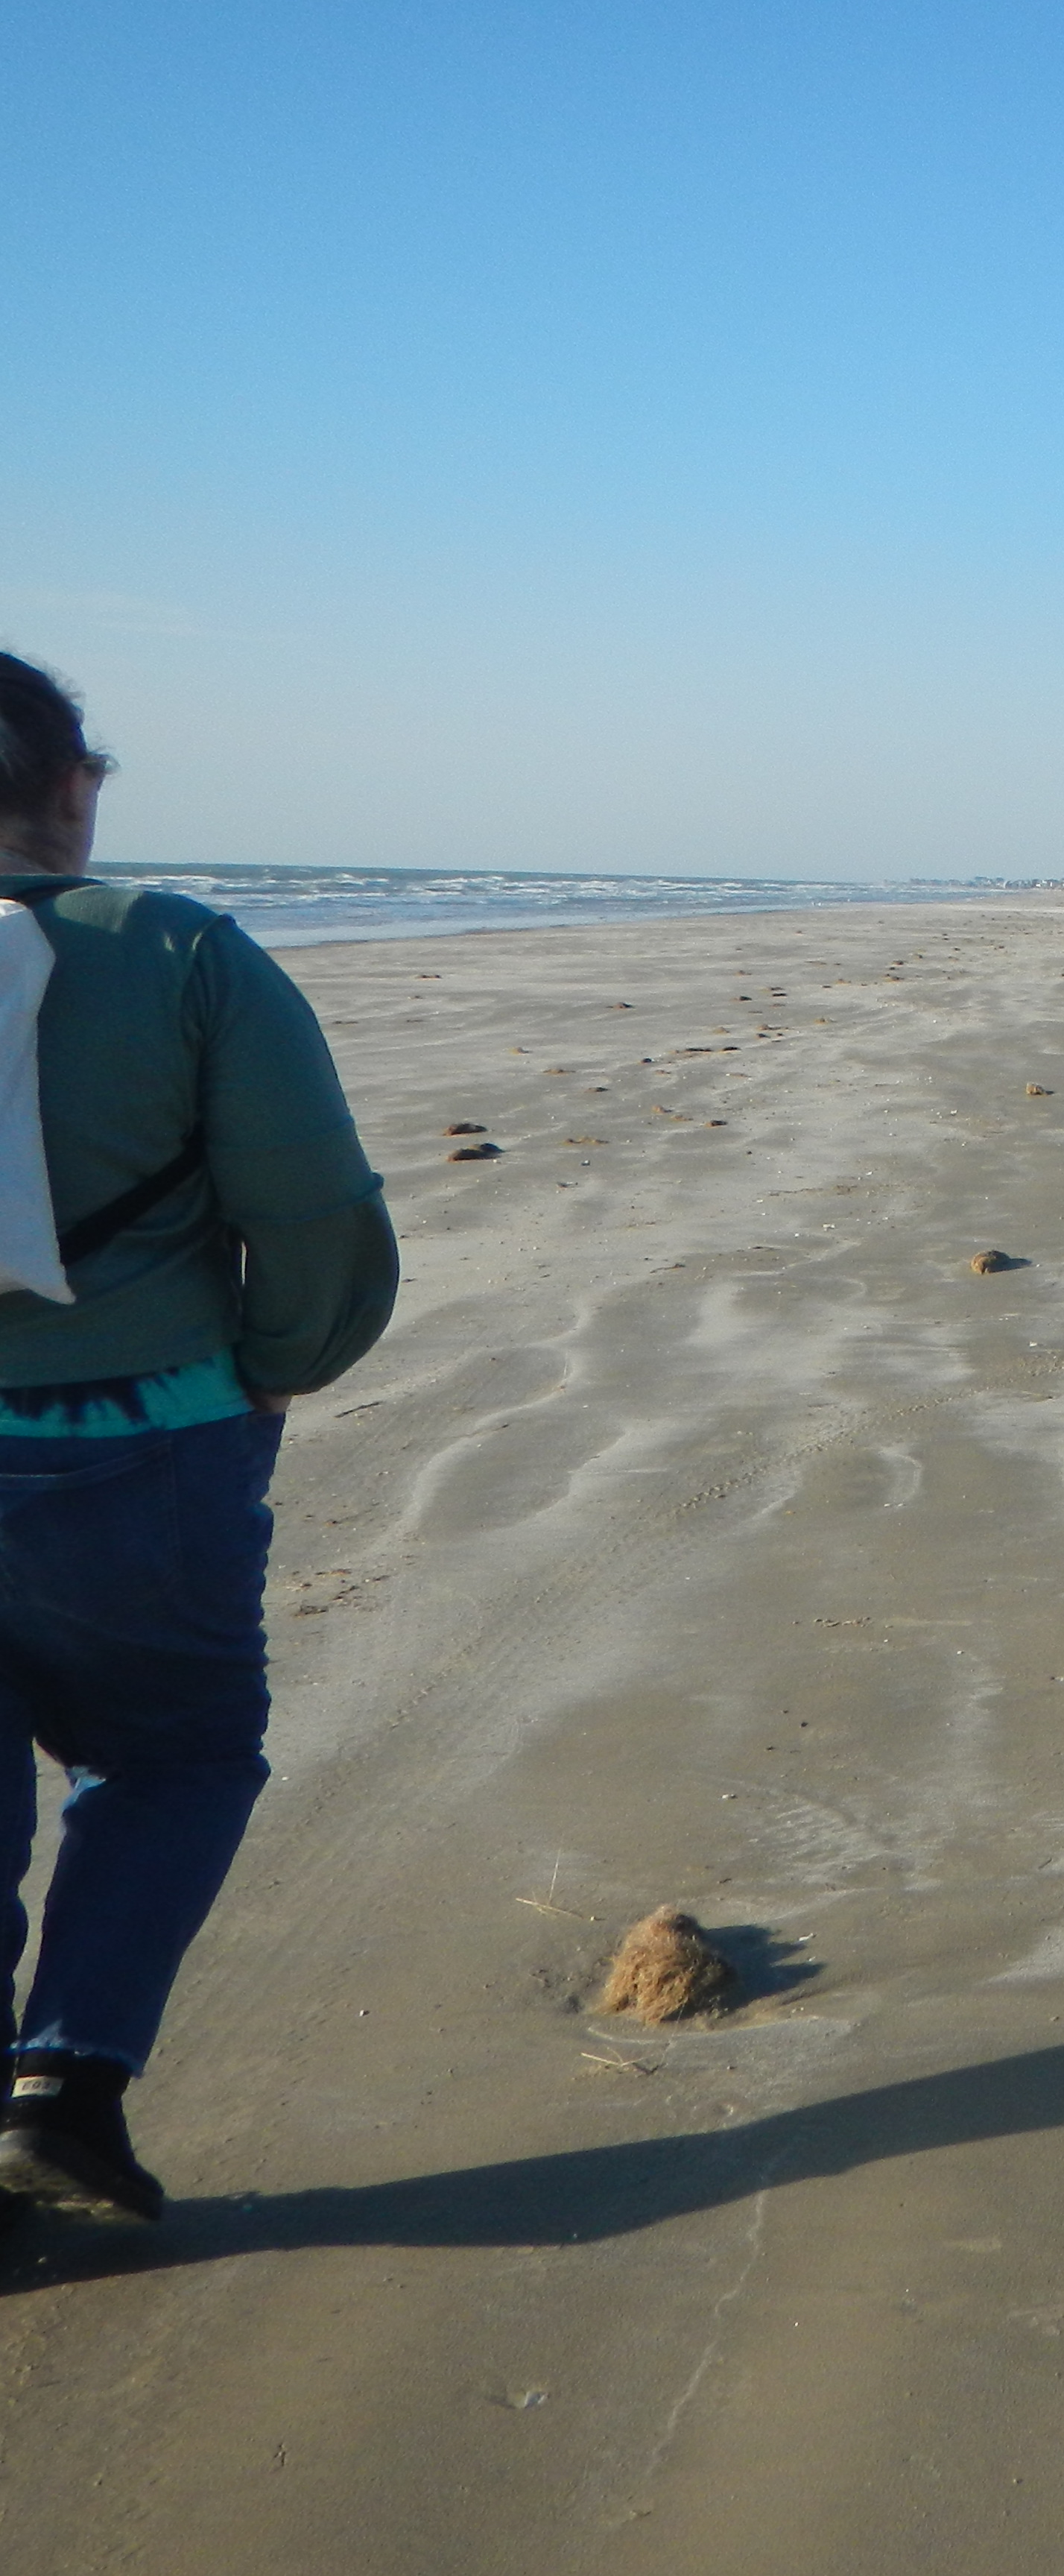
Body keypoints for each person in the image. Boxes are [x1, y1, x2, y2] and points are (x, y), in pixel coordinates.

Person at [0, 651, 398, 2225]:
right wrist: (283, 1362)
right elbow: (312, 1212)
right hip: (145, 1443)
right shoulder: (181, 954)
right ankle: (69, 2085)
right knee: (173, 1756)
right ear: (74, 787)